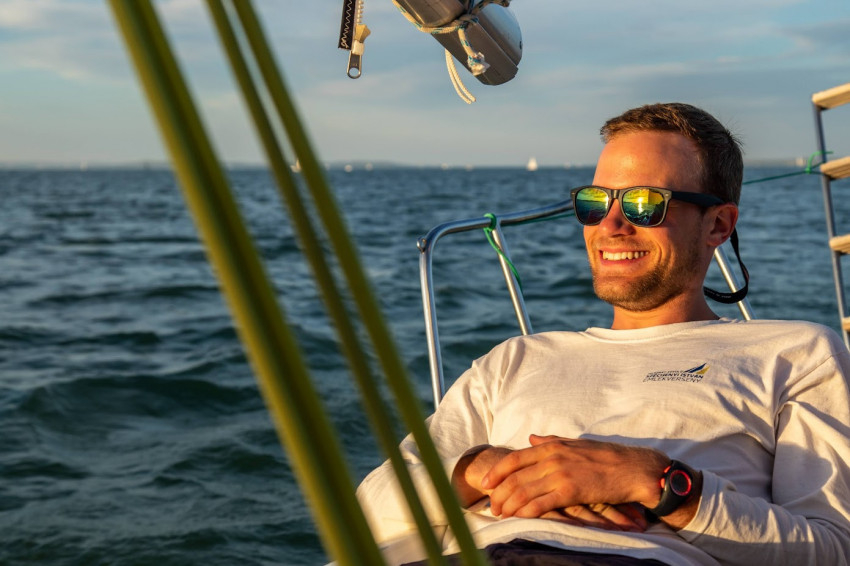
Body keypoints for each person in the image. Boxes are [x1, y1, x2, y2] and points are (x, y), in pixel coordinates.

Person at [356, 103, 850, 565]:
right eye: (595, 202)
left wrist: (656, 482)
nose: (610, 225)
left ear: (718, 225)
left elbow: (832, 549)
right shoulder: (514, 360)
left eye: (644, 204)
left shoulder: (794, 353)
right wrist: (487, 468)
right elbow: (366, 511)